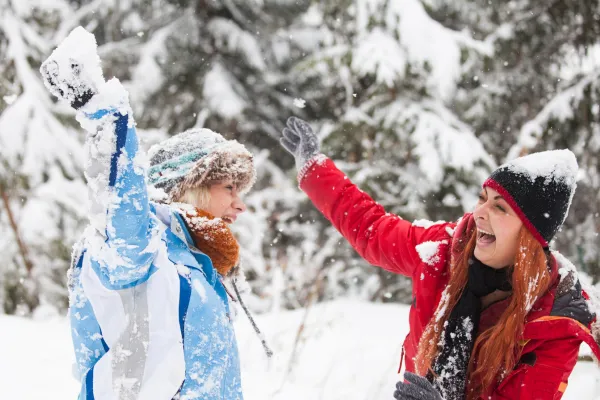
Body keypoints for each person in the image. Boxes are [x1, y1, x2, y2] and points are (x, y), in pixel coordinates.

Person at [279, 116, 600, 399]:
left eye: (500, 207)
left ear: (529, 237)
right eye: (482, 198)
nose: (479, 214)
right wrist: (314, 168)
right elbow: (372, 229)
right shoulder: (445, 250)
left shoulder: (555, 322)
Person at [40, 27, 255, 399]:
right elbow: (122, 204)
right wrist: (105, 116)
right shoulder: (141, 250)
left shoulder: (197, 266)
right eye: (229, 188)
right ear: (190, 185)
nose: (240, 204)